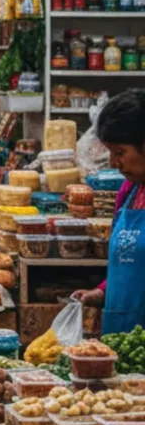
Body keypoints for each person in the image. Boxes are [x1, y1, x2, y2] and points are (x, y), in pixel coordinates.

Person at [72, 90, 145, 332]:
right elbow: (126, 262)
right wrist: (102, 291)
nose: (113, 163)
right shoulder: (129, 191)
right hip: (119, 331)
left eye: (120, 153)